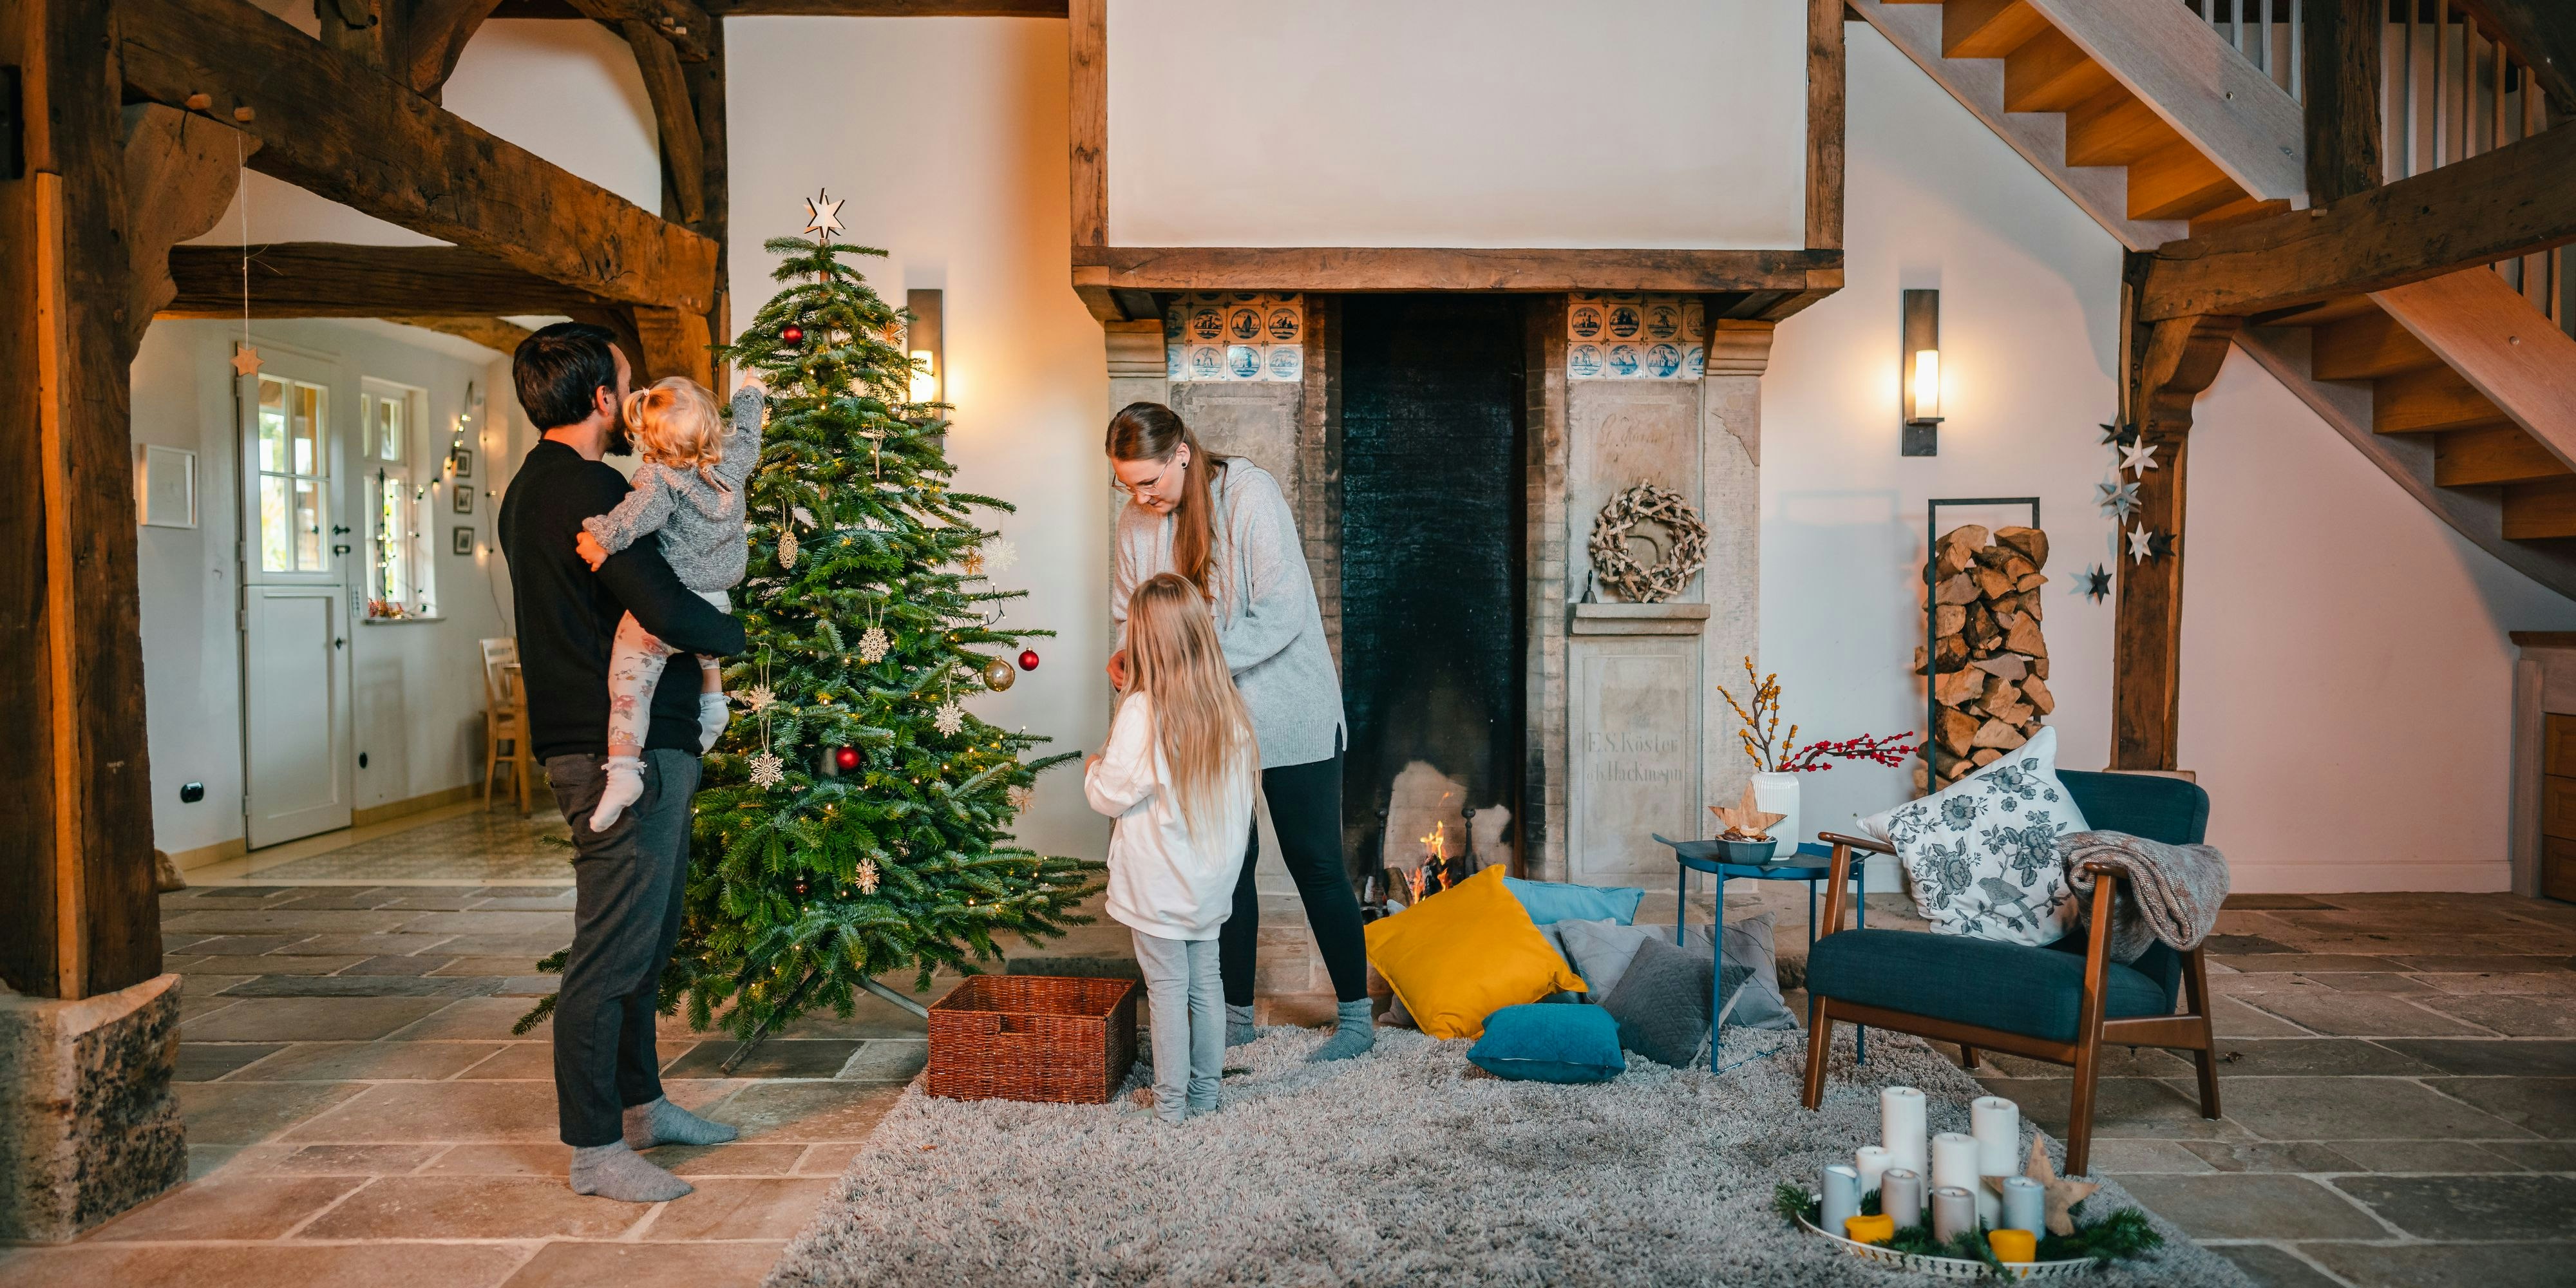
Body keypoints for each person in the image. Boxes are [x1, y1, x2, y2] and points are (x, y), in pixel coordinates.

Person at [497, 323, 746, 1203]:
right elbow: (664, 603)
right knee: (612, 953)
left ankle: (642, 1107)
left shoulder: (534, 487)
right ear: (602, 400)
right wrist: (738, 633)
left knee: (643, 939)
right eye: (629, 386)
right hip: (618, 750)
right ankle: (596, 1149)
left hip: (614, 739)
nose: (635, 400)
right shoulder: (598, 489)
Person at [1104, 402, 1374, 1063]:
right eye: (1128, 484)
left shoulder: (1249, 494)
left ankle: (1357, 1019)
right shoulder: (1136, 517)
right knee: (1228, 864)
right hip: (1203, 717)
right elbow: (1127, 610)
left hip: (1288, 708)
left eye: (1150, 481)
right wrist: (1128, 651)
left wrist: (1188, 657)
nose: (1141, 496)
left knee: (1315, 860)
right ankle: (1235, 1016)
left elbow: (1282, 611)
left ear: (1182, 456)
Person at [1084, 573, 1260, 1122]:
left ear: (1145, 641)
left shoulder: (1144, 711)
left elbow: (1111, 794)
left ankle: (1170, 1105)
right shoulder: (1227, 707)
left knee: (1165, 990)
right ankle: (1205, 1096)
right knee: (1207, 984)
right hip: (1209, 883)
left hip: (1160, 884)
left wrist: (1093, 768)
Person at [573, 375, 766, 829]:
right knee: (704, 649)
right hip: (717, 603)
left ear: (650, 439)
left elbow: (632, 519)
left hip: (676, 608)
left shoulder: (660, 479)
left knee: (628, 682)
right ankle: (715, 704)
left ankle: (623, 772)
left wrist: (598, 540)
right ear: (711, 424)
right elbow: (751, 431)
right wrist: (751, 392)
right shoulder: (734, 459)